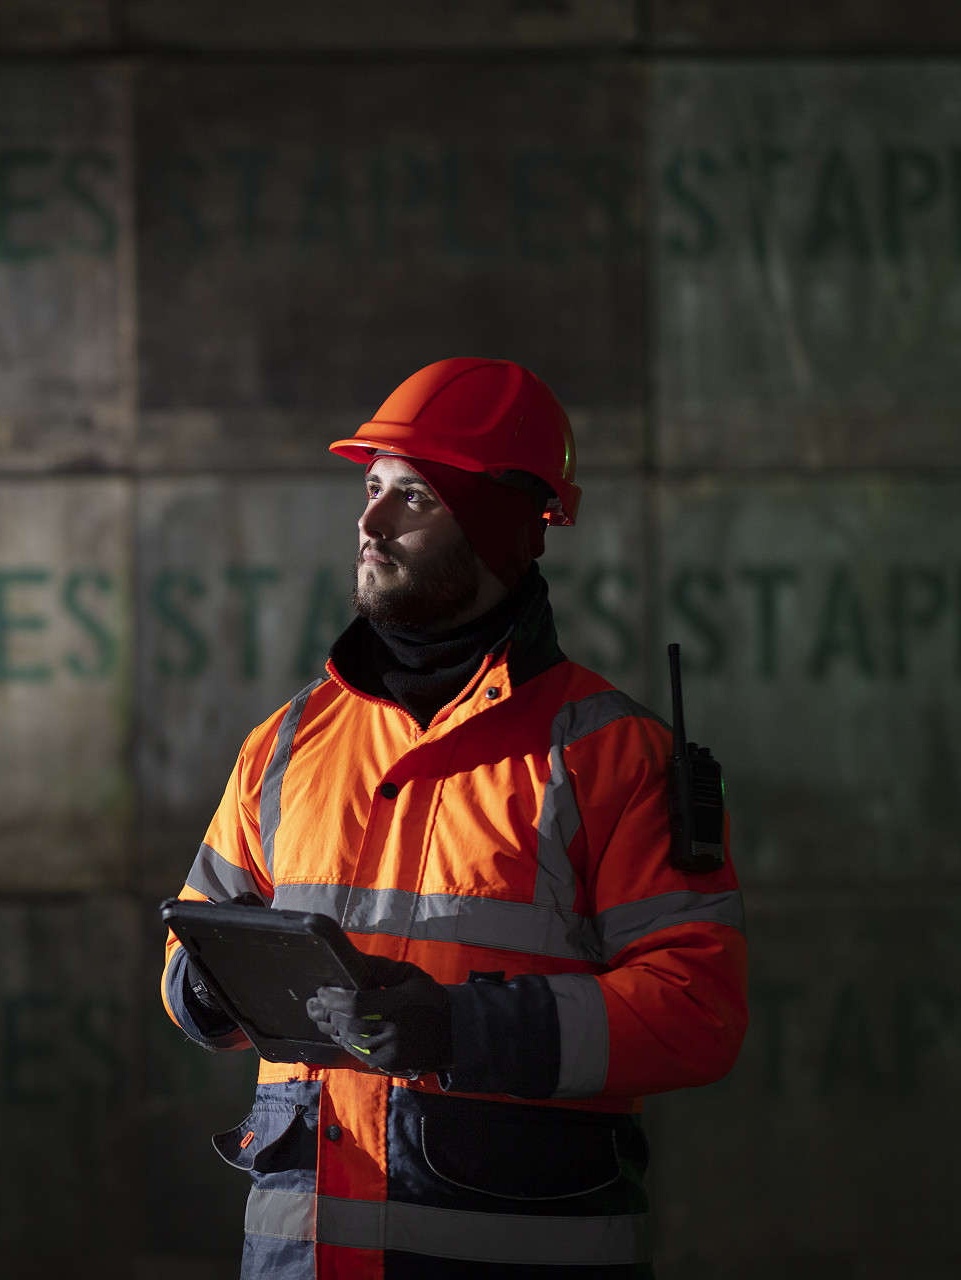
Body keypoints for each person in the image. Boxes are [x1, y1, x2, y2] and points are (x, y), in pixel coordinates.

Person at [159, 358, 748, 1279]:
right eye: (371, 487)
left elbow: (697, 1010)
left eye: (414, 498)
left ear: (500, 527)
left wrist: (463, 1029)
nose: (369, 521)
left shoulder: (612, 754)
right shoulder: (285, 745)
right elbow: (186, 950)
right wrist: (207, 989)